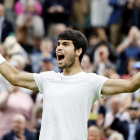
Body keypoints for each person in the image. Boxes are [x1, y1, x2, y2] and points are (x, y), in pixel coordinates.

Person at [1, 29, 140, 140]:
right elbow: (15, 77)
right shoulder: (47, 78)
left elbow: (130, 84)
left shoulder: (91, 81)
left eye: (65, 44)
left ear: (78, 51)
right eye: (58, 44)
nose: (59, 48)